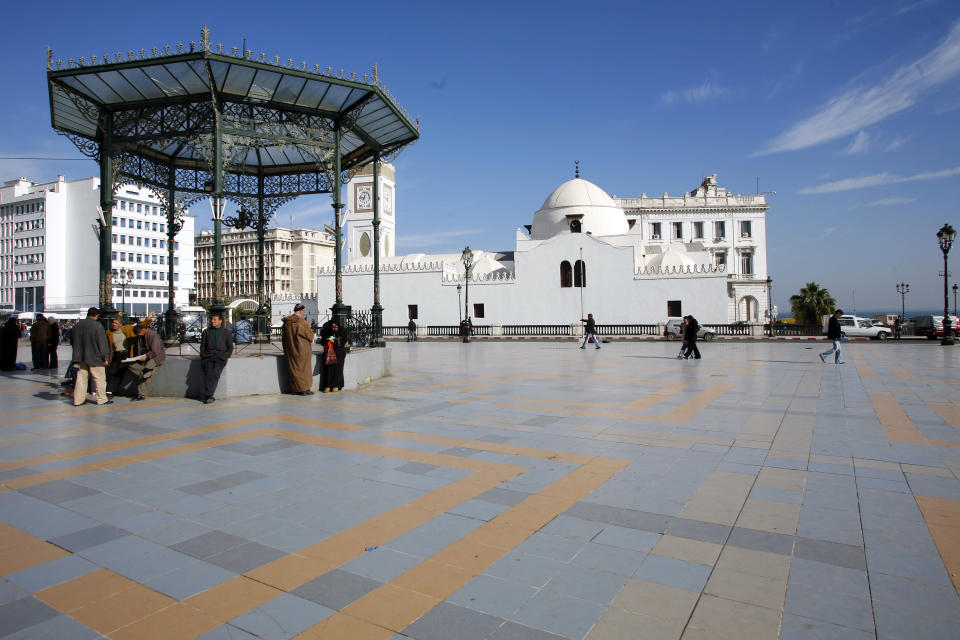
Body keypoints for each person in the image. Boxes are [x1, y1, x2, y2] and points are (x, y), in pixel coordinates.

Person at [71, 307, 111, 406]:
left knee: (81, 378)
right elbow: (102, 343)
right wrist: (105, 357)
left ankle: (78, 400)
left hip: (81, 357)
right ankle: (102, 399)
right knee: (99, 378)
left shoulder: (77, 326)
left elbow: (72, 341)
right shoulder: (97, 326)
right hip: (95, 357)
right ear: (96, 315)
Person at [106, 314, 153, 395]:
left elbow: (140, 326)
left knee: (128, 370)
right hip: (116, 354)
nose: (114, 324)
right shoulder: (109, 332)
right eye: (113, 323)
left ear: (121, 324)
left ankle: (118, 390)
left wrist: (148, 319)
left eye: (116, 323)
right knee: (112, 372)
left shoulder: (127, 329)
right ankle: (110, 392)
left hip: (126, 354)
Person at [126, 322, 166, 400]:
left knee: (146, 371)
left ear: (143, 330)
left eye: (139, 333)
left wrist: (147, 356)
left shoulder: (153, 336)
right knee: (131, 365)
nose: (139, 335)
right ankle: (145, 372)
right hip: (144, 357)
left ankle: (141, 393)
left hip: (155, 358)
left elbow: (155, 351)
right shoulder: (140, 336)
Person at [199, 313, 234, 404]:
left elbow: (230, 346)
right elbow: (202, 345)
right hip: (208, 357)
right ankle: (209, 395)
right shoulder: (206, 332)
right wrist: (203, 355)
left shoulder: (226, 332)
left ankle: (209, 394)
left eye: (215, 319)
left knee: (215, 373)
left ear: (220, 321)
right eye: (212, 319)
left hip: (220, 357)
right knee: (209, 374)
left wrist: (226, 355)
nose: (212, 321)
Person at [281, 303, 315, 395]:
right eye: (303, 311)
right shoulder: (301, 322)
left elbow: (283, 337)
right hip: (302, 350)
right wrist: (312, 336)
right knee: (304, 370)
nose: (303, 313)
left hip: (291, 350)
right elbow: (308, 334)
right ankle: (304, 389)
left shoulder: (287, 323)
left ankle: (296, 389)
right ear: (300, 311)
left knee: (294, 369)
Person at [320, 319, 351, 393]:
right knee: (329, 369)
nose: (334, 329)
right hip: (329, 352)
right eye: (333, 327)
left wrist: (335, 342)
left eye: (336, 327)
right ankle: (328, 385)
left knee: (338, 369)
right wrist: (328, 340)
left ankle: (336, 385)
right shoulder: (327, 331)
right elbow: (323, 340)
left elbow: (343, 341)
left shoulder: (342, 331)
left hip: (339, 352)